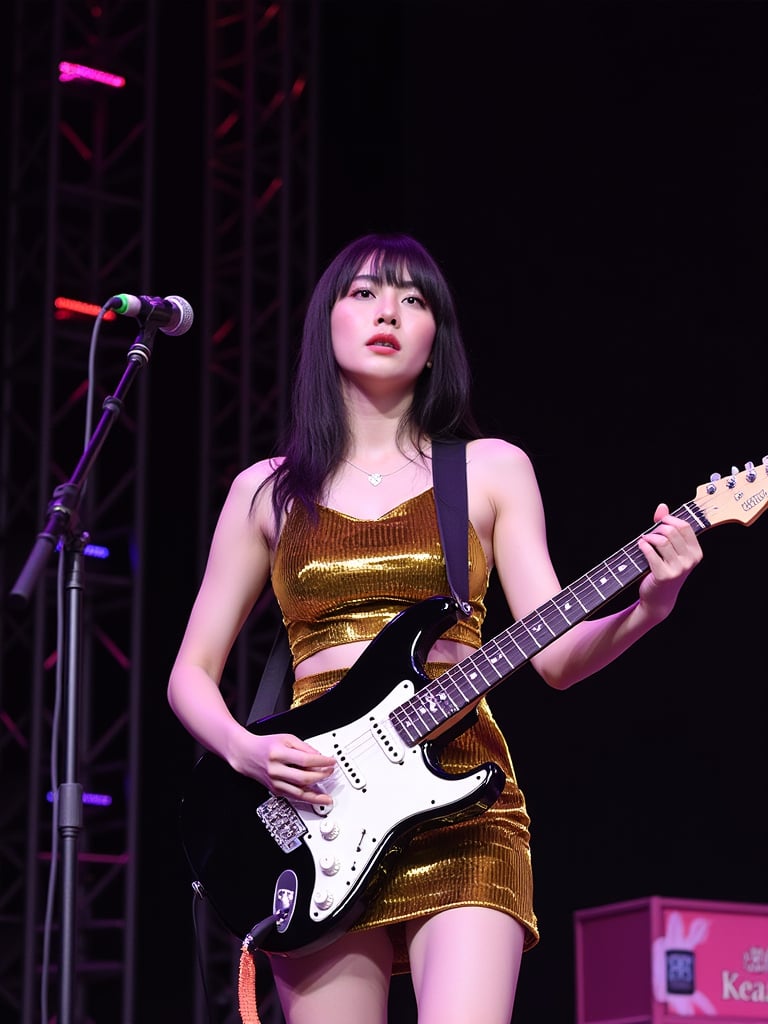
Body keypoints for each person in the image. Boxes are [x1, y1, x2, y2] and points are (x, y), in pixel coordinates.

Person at [167, 232, 703, 1024]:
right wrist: (248, 750)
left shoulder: (490, 469)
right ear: (327, 324)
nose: (390, 310)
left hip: (462, 805)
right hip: (317, 813)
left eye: (414, 299)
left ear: (434, 342)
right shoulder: (266, 492)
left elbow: (554, 658)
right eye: (365, 293)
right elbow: (190, 673)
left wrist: (648, 608)